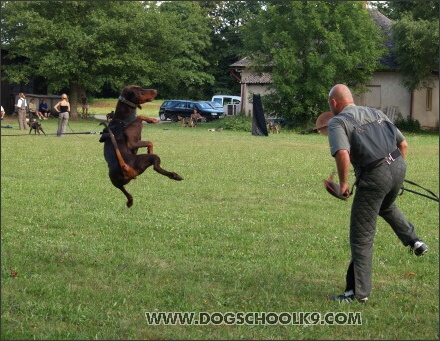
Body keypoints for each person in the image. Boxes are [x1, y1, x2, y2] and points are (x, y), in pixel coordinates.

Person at [326, 84, 428, 304]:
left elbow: (342, 153)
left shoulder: (337, 121)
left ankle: (357, 293)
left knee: (361, 236)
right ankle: (414, 241)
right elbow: (403, 144)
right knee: (386, 206)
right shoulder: (376, 112)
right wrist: (393, 172)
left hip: (374, 175)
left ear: (334, 103)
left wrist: (344, 185)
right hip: (398, 165)